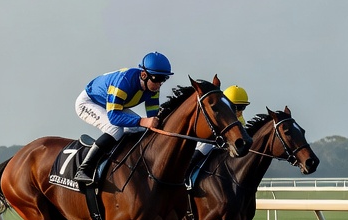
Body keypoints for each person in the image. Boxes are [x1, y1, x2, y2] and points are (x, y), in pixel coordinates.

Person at [73, 52, 171, 186]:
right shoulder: (124, 83)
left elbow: (152, 117)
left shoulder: (152, 87)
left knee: (139, 129)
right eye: (157, 78)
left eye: (163, 79)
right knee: (115, 129)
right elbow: (114, 117)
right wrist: (143, 121)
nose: (160, 83)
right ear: (144, 75)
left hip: (112, 104)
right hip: (90, 102)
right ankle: (84, 169)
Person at [195, 85, 249, 157]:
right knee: (204, 147)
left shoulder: (241, 120)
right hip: (209, 142)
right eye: (237, 107)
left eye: (242, 107)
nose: (239, 111)